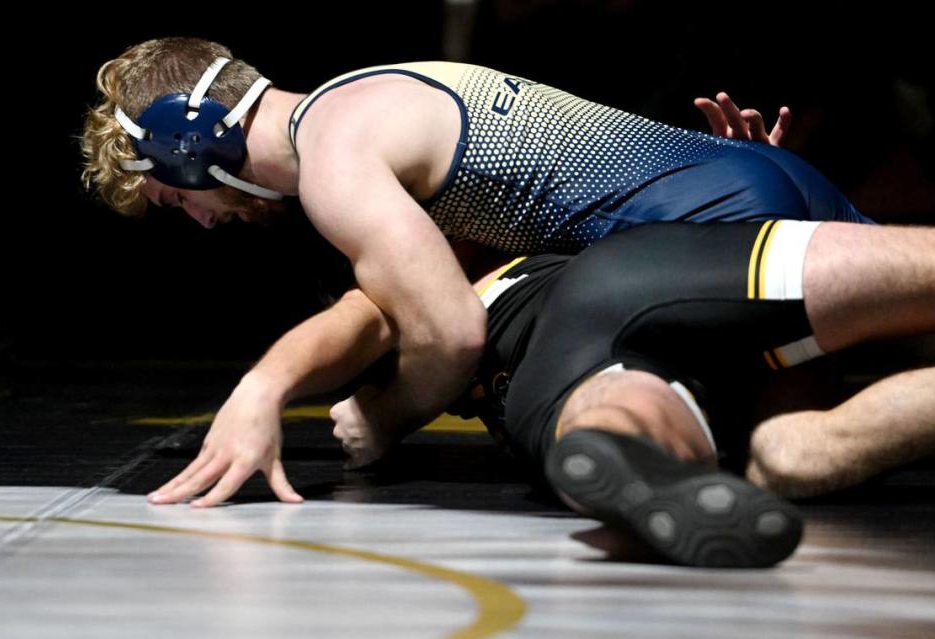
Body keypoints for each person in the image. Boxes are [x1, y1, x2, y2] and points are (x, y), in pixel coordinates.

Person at [81, 38, 873, 457]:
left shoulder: (334, 162)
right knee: (805, 452)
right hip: (763, 174)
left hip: (715, 227)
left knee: (776, 456)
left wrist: (383, 418)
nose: (196, 219)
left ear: (192, 146)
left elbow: (452, 332)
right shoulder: (366, 91)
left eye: (174, 196)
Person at [147, 219, 935, 568]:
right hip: (704, 313)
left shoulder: (455, 290)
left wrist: (265, 384)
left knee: (614, 413)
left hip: (572, 333)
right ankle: (637, 459)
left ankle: (629, 454)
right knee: (795, 456)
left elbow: (350, 322)